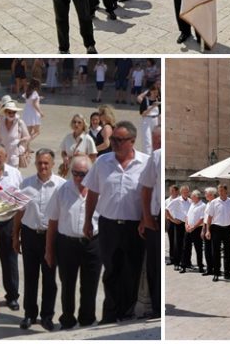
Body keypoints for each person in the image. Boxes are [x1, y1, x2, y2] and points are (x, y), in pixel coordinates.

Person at [83, 121, 149, 324]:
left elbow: (149, 195)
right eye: (113, 139)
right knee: (110, 272)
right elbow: (92, 193)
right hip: (108, 224)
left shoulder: (146, 163)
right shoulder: (102, 163)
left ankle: (126, 313)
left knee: (131, 271)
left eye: (120, 140)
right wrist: (88, 221)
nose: (115, 143)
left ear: (132, 141)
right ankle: (110, 315)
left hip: (134, 227)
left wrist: (145, 219)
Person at [45, 155, 101, 329]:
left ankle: (87, 319)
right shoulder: (61, 190)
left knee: (90, 285)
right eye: (75, 173)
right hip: (67, 244)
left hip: (92, 244)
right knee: (67, 285)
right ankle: (67, 320)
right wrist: (49, 250)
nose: (78, 178)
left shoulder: (99, 191)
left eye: (82, 174)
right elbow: (52, 222)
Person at [14, 149, 65, 331]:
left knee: (50, 279)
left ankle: (47, 316)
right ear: (35, 163)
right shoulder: (25, 184)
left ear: (52, 164)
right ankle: (29, 314)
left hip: (51, 238)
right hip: (29, 235)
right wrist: (15, 236)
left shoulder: (61, 185)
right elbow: (19, 212)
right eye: (39, 163)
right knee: (30, 277)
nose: (43, 166)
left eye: (46, 163)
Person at [0, 145, 23, 311]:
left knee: (10, 260)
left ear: (6, 157)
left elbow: (21, 200)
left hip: (8, 222)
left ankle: (12, 296)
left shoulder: (14, 174)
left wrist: (18, 228)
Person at [139, 127, 161, 319]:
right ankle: (155, 306)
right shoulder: (155, 157)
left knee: (156, 264)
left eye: (159, 140)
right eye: (154, 141)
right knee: (153, 264)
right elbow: (145, 190)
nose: (156, 145)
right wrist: (145, 217)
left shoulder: (158, 156)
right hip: (154, 218)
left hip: (158, 216)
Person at [204, 183, 230, 281]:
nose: (220, 192)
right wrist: (208, 231)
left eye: (222, 190)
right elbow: (209, 218)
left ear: (226, 191)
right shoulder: (214, 202)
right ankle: (216, 273)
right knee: (216, 252)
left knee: (227, 252)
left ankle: (227, 273)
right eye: (219, 191)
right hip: (216, 229)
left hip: (227, 228)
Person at [0, 101, 30, 169]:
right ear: (5, 112)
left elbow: (27, 137)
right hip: (2, 156)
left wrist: (21, 149)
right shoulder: (0, 122)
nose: (12, 114)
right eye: (10, 112)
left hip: (14, 157)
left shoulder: (20, 122)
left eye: (14, 112)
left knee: (13, 177)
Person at [166, 185, 190, 272]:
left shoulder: (190, 201)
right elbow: (166, 209)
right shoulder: (176, 201)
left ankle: (185, 262)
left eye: (187, 192)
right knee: (178, 244)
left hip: (187, 224)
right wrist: (172, 219)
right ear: (181, 192)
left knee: (186, 244)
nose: (185, 193)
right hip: (178, 224)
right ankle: (176, 263)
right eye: (184, 192)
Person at [183, 190, 206, 274]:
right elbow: (187, 216)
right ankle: (184, 266)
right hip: (188, 229)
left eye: (192, 196)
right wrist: (186, 225)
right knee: (185, 248)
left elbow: (202, 219)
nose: (191, 197)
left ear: (197, 197)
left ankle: (200, 266)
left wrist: (193, 227)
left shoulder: (203, 205)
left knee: (198, 248)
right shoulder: (192, 204)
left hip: (197, 229)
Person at [137, 85, 160, 155]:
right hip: (147, 120)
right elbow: (142, 114)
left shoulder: (158, 100)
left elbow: (160, 113)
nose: (155, 94)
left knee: (155, 140)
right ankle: (146, 158)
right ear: (150, 92)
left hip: (155, 120)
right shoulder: (145, 100)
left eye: (156, 93)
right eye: (154, 92)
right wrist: (152, 107)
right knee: (147, 141)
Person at [201, 187, 216, 276]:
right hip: (207, 226)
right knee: (207, 249)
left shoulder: (215, 203)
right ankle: (209, 268)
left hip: (213, 226)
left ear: (211, 194)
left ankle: (215, 268)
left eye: (206, 193)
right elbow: (205, 218)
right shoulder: (207, 204)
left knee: (213, 249)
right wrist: (203, 229)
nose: (205, 195)